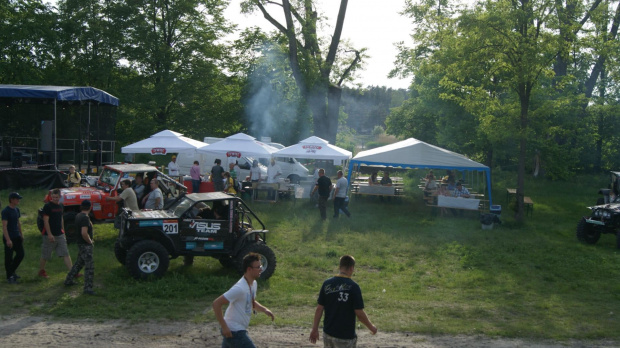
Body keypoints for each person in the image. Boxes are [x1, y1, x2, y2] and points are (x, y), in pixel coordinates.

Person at [309, 255, 377, 346]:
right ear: (352, 268)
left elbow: (319, 308)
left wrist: (314, 329)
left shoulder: (327, 284)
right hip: (345, 336)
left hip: (328, 334)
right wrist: (371, 327)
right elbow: (359, 313)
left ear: (340, 267)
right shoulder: (354, 287)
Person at [212, 252, 275, 348]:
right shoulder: (240, 288)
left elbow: (250, 301)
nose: (261, 269)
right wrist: (224, 327)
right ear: (249, 269)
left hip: (234, 330)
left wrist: (264, 309)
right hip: (235, 331)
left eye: (260, 265)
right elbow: (216, 304)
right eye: (258, 267)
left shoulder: (253, 283)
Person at [39, 189, 75, 279]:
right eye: (53, 197)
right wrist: (50, 234)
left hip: (60, 234)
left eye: (56, 197)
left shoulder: (60, 206)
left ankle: (72, 272)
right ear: (51, 197)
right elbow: (45, 221)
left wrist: (63, 230)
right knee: (46, 254)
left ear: (60, 197)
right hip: (49, 235)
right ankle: (41, 271)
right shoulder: (47, 206)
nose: (55, 199)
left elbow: (61, 218)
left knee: (65, 253)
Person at [64, 200, 96, 295]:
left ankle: (68, 280)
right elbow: (84, 233)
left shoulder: (78, 215)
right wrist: (90, 241)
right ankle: (88, 288)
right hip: (85, 245)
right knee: (89, 266)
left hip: (80, 243)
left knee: (79, 263)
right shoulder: (85, 218)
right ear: (90, 207)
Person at [2, 192, 24, 284]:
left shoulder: (16, 210)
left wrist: (21, 234)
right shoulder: (5, 211)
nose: (18, 200)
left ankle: (11, 271)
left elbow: (18, 222)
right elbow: (4, 227)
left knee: (21, 254)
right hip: (9, 237)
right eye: (17, 198)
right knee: (9, 257)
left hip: (17, 236)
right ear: (11, 200)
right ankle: (10, 276)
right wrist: (8, 239)